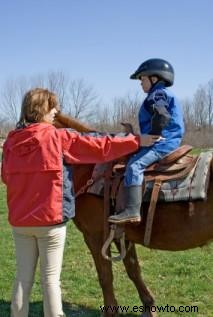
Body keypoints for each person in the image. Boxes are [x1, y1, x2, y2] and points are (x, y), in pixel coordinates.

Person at [1, 88, 161, 317]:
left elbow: (6, 177)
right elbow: (101, 146)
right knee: (50, 281)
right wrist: (137, 141)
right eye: (52, 106)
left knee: (22, 279)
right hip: (50, 222)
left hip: (20, 223)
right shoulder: (59, 137)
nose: (56, 111)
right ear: (42, 109)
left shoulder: (11, 142)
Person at [108, 58, 185, 224]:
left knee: (134, 166)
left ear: (154, 78)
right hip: (167, 139)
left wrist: (154, 135)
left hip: (163, 142)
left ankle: (132, 210)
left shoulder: (158, 94)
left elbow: (162, 115)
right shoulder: (160, 93)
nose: (140, 83)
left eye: (142, 79)